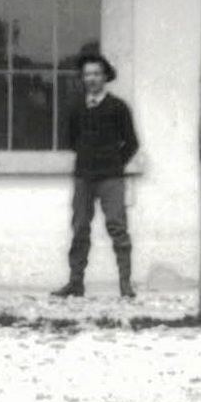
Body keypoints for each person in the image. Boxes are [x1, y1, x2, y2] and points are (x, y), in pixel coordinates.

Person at [60, 49, 138, 299]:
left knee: (117, 227)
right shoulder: (75, 107)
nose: (91, 78)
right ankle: (75, 283)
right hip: (84, 176)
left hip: (111, 178)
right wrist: (88, 157)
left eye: (96, 73)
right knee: (80, 227)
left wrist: (114, 163)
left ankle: (125, 285)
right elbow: (70, 139)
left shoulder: (118, 107)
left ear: (105, 77)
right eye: (87, 74)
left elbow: (132, 143)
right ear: (82, 78)